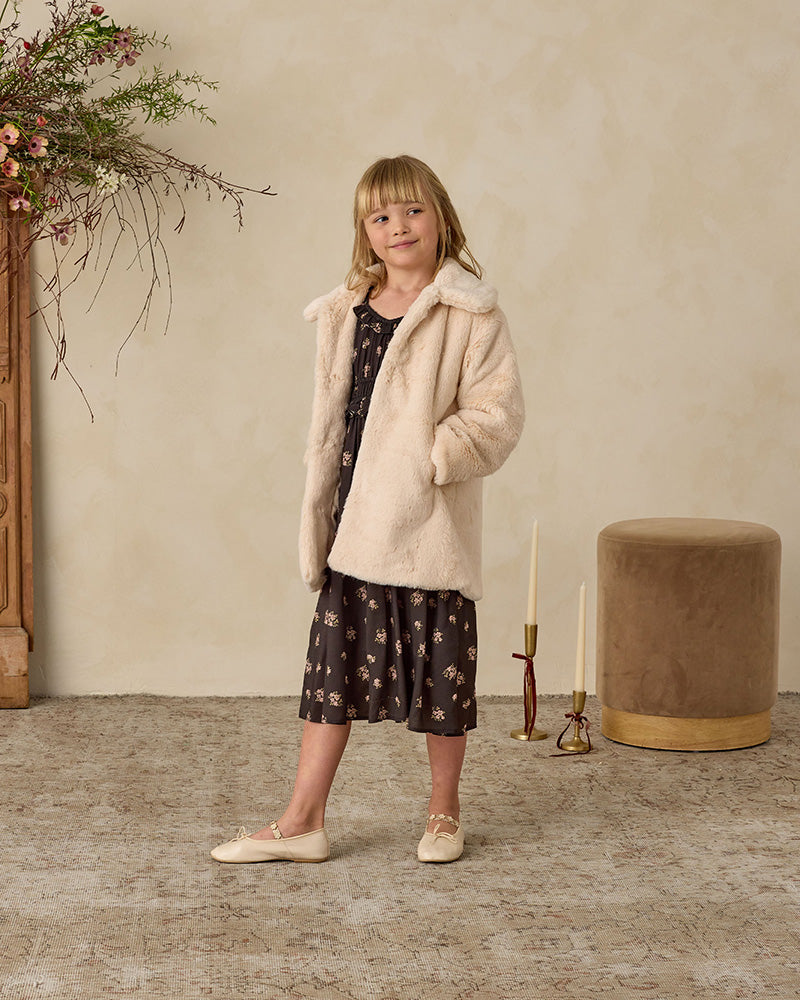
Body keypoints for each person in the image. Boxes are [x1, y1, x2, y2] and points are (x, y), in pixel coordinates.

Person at [212, 155, 524, 865]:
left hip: (425, 519)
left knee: (441, 665)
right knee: (331, 669)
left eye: (411, 210)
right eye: (380, 216)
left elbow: (497, 414)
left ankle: (443, 813)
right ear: (365, 232)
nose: (398, 226)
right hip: (353, 518)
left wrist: (432, 457)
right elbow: (335, 414)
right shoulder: (345, 311)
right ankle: (302, 821)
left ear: (439, 214)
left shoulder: (470, 313)